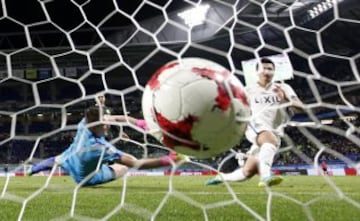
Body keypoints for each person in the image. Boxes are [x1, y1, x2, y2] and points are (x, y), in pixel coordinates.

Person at [206, 57, 304, 187]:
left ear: (274, 72)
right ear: (257, 72)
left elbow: (301, 108)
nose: (267, 71)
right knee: (270, 141)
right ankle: (265, 177)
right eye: (264, 68)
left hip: (275, 132)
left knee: (246, 172)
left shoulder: (284, 88)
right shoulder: (248, 90)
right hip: (255, 127)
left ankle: (222, 177)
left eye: (270, 69)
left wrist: (287, 99)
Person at [27, 106, 185, 186]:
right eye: (104, 125)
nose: (108, 126)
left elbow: (118, 119)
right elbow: (136, 163)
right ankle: (105, 164)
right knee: (122, 168)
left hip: (68, 159)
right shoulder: (101, 148)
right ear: (95, 125)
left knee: (57, 159)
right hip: (85, 178)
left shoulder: (84, 124)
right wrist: (168, 160)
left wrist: (140, 123)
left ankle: (32, 169)